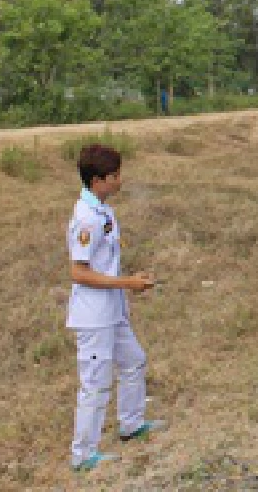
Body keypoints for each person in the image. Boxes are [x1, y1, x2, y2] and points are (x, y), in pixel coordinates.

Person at [66, 144, 164, 472]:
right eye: (115, 176)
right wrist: (127, 283)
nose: (120, 181)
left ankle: (131, 424)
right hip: (94, 316)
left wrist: (129, 283)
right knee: (95, 382)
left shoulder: (103, 211)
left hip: (113, 310)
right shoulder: (86, 219)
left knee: (134, 362)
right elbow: (78, 271)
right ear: (98, 180)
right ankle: (83, 455)